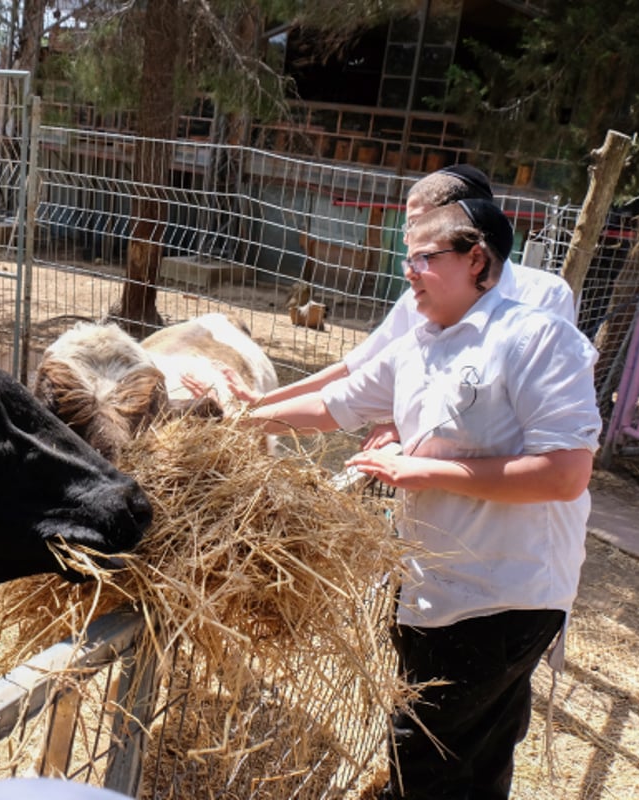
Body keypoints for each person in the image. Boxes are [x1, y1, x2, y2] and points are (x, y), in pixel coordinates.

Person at [227, 199, 602, 799]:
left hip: (503, 594)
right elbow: (333, 405)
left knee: (423, 761)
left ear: (476, 259)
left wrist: (421, 470)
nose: (408, 270)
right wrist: (243, 418)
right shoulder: (419, 344)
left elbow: (563, 474)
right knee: (472, 758)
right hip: (435, 588)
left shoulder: (536, 338)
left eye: (424, 257)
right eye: (407, 257)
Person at [251, 165, 576, 450]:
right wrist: (253, 409)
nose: (408, 241)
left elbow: (552, 453)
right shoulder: (422, 317)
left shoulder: (542, 308)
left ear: (463, 230)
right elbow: (351, 383)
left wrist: (410, 437)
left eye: (419, 226)